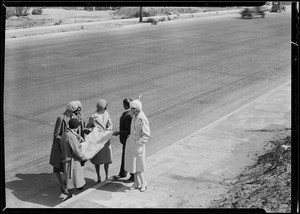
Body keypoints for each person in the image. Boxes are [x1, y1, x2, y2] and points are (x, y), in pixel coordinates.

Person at [49, 101, 79, 195]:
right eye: (75, 111)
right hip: (59, 146)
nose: (76, 113)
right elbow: (56, 134)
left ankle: (67, 184)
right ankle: (62, 185)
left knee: (66, 166)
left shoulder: (73, 117)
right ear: (71, 110)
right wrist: (62, 141)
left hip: (67, 145)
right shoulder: (61, 118)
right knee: (57, 167)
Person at [124, 99, 150, 192]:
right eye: (132, 108)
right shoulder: (135, 117)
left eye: (134, 109)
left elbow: (146, 135)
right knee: (133, 165)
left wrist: (139, 144)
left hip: (138, 144)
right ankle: (136, 182)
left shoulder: (142, 118)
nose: (132, 110)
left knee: (139, 166)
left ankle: (144, 183)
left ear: (138, 108)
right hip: (132, 142)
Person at [61, 118, 87, 201]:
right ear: (76, 127)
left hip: (66, 160)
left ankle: (69, 194)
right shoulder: (71, 136)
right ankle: (69, 196)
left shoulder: (65, 134)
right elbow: (76, 151)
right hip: (72, 162)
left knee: (71, 181)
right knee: (73, 182)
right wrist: (84, 157)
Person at [86, 99, 113, 182]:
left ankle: (107, 176)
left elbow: (110, 123)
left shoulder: (106, 114)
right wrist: (94, 130)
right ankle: (98, 176)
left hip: (105, 139)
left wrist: (108, 129)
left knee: (106, 160)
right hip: (97, 140)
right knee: (97, 161)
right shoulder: (93, 116)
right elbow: (88, 126)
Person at [113, 98, 134, 183]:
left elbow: (129, 130)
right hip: (127, 140)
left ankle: (131, 175)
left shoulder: (127, 115)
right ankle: (123, 173)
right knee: (125, 157)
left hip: (127, 140)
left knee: (128, 157)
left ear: (125, 105)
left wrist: (119, 132)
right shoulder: (131, 113)